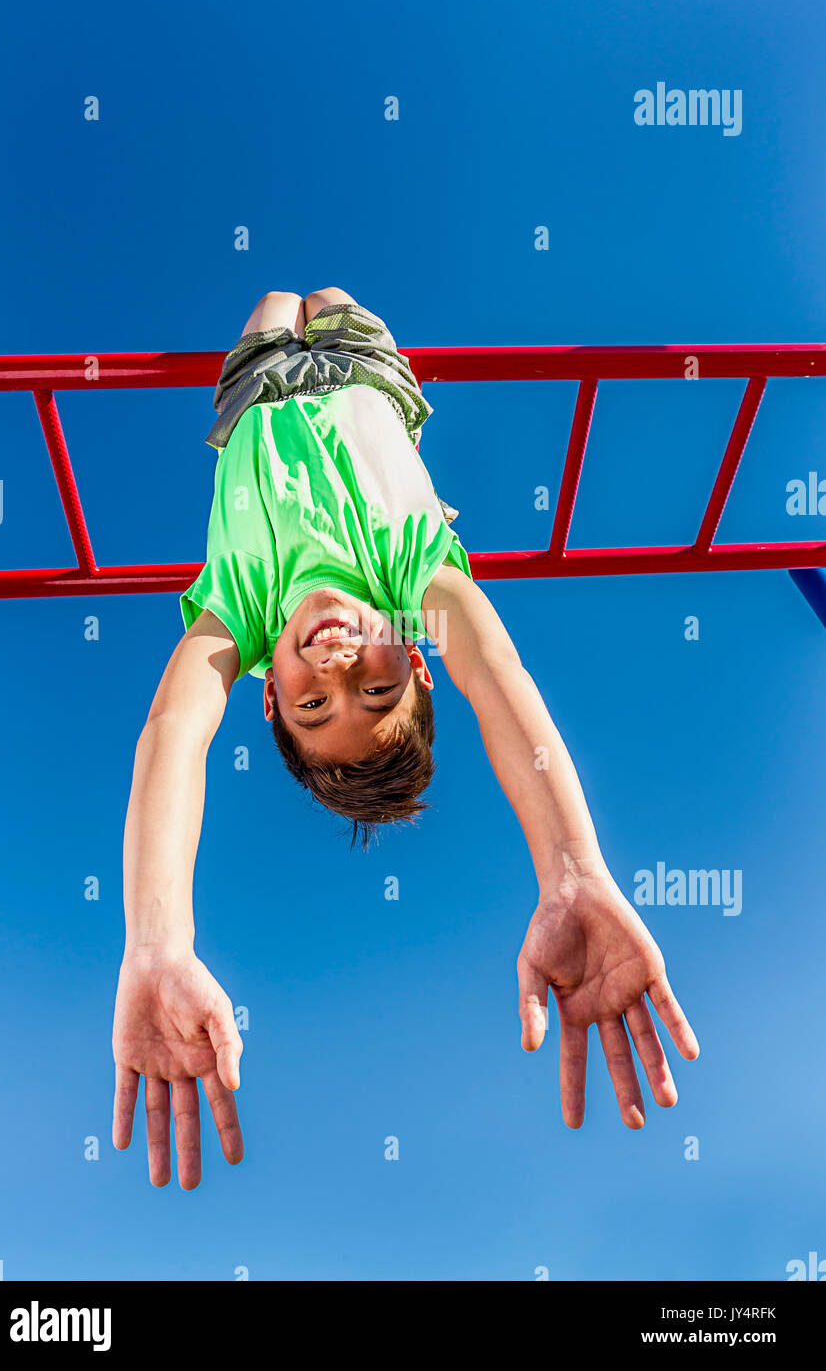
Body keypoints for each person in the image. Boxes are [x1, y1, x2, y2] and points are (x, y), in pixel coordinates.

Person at [112, 288, 699, 1189]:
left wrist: (156, 942)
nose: (338, 668)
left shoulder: (243, 613)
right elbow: (501, 680)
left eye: (314, 708)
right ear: (419, 661)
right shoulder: (412, 575)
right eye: (375, 688)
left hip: (255, 395)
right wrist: (572, 868)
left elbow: (172, 737)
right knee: (331, 299)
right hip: (366, 373)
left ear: (267, 697)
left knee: (270, 302)